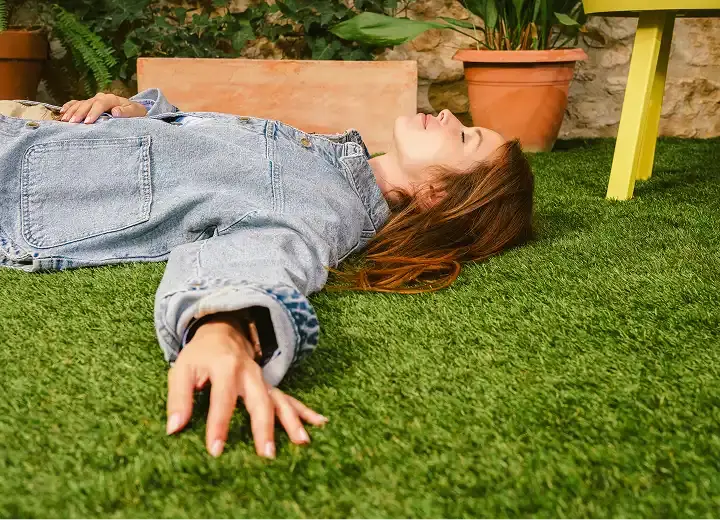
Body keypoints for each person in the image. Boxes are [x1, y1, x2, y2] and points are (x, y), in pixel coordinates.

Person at [0, 90, 534, 459]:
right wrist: (138, 110)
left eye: (464, 138)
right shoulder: (326, 159)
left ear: (436, 195)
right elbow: (201, 149)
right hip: (31, 128)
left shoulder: (326, 204)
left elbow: (261, 255)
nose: (447, 115)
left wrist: (223, 328)